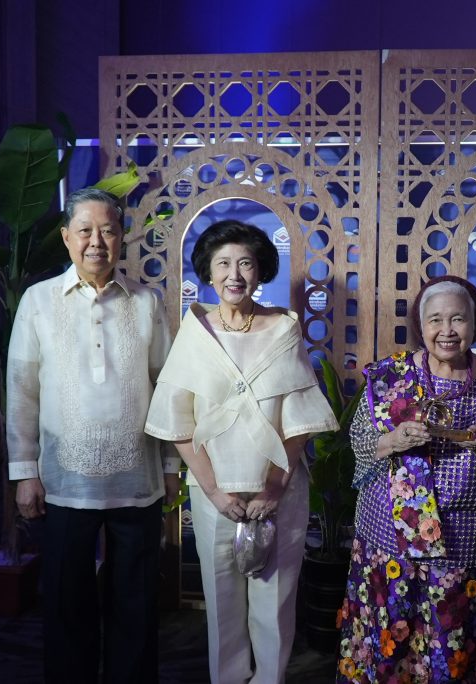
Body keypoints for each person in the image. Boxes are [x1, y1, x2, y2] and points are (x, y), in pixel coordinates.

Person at [144, 219, 338, 684]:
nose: (234, 274)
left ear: (260, 271)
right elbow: (179, 421)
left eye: (245, 264)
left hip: (279, 489)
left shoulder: (284, 328)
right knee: (222, 604)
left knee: (275, 601)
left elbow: (299, 420)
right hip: (214, 489)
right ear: (208, 274)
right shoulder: (194, 331)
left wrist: (274, 487)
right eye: (223, 264)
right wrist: (211, 490)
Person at [336, 275, 476, 683]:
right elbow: (359, 443)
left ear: (474, 324)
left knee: (452, 644)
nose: (446, 331)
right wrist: (393, 439)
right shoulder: (390, 376)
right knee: (386, 636)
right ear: (421, 326)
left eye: (457, 320)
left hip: (465, 543)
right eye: (435, 321)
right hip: (389, 537)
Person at [6, 187, 175, 684]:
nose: (96, 241)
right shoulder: (38, 302)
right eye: (85, 230)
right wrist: (23, 473)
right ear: (66, 238)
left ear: (122, 238)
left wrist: (169, 468)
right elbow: (21, 390)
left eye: (108, 230)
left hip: (137, 481)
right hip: (62, 482)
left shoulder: (148, 301)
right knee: (65, 604)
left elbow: (165, 389)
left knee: (137, 604)